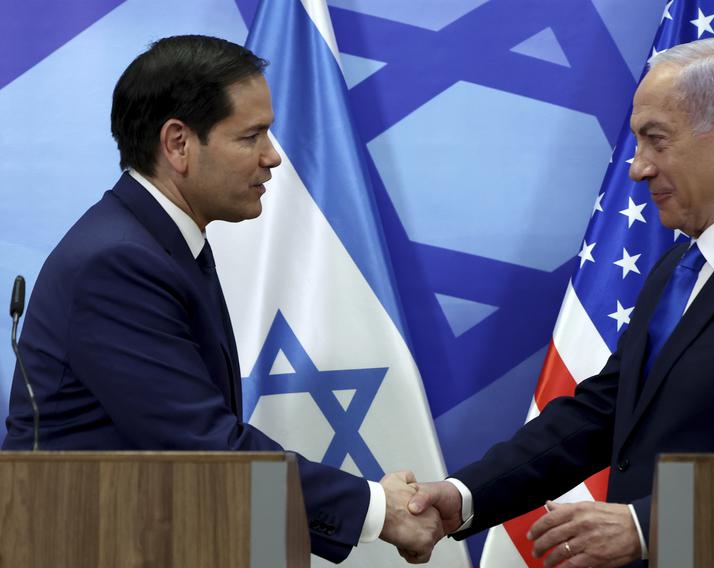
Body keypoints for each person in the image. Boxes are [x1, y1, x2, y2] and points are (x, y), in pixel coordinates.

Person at [407, 38, 714, 567]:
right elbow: (605, 412)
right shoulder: (677, 268)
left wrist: (648, 523)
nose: (638, 169)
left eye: (655, 141)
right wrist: (463, 497)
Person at [2, 35, 441, 564]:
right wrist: (379, 510)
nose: (272, 157)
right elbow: (203, 449)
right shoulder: (118, 262)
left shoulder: (161, 241)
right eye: (251, 136)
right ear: (178, 144)